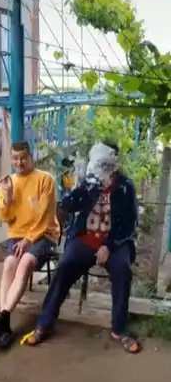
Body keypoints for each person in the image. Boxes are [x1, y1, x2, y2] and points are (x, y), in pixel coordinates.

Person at [26, 141, 140, 352]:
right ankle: (45, 323)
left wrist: (109, 244)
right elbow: (69, 206)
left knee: (122, 270)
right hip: (85, 238)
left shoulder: (125, 187)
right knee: (66, 265)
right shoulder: (89, 183)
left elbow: (131, 225)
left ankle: (119, 329)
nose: (101, 176)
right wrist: (76, 188)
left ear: (113, 167)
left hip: (115, 242)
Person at [0, 141, 60, 349]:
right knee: (9, 264)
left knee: (25, 261)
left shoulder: (45, 180)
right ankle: (4, 322)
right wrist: (7, 194)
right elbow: (6, 218)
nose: (19, 162)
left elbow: (45, 217)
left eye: (23, 158)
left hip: (45, 234)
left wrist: (29, 240)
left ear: (31, 157)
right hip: (17, 236)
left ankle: (1, 319)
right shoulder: (6, 184)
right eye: (15, 158)